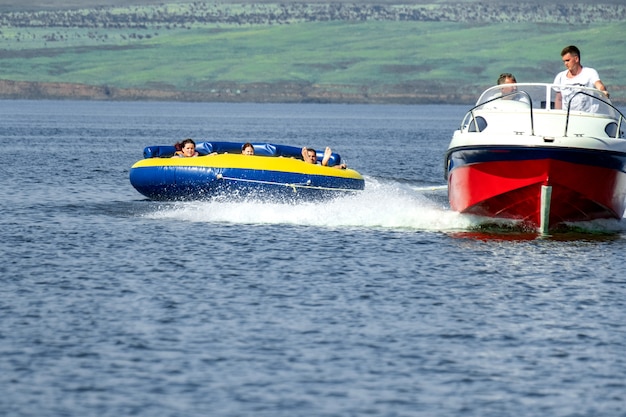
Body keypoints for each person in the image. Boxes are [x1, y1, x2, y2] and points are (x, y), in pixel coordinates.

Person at [553, 45, 609, 111]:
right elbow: (558, 99)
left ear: (576, 59)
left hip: (586, 116)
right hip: (567, 117)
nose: (565, 63)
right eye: (564, 61)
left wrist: (603, 91)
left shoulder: (589, 72)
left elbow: (599, 84)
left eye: (568, 60)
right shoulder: (560, 76)